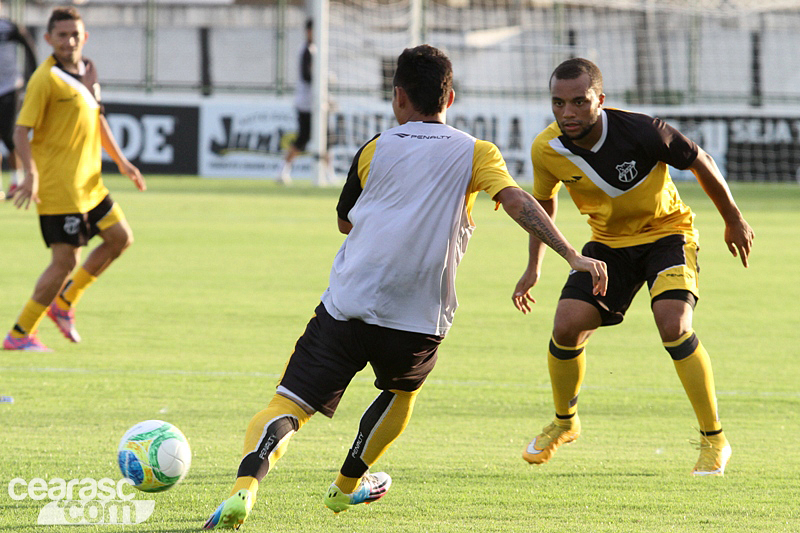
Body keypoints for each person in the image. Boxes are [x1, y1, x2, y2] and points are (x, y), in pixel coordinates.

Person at [203, 45, 608, 530]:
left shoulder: (374, 148)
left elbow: (344, 221)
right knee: (400, 393)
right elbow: (517, 200)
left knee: (288, 404)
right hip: (416, 317)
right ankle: (344, 488)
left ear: (398, 96)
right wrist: (570, 254)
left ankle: (244, 489)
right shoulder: (476, 152)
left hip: (347, 304)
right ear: (450, 98)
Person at [513, 58, 754, 476]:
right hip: (608, 246)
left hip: (667, 234)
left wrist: (733, 218)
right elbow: (543, 205)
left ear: (600, 100)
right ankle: (565, 423)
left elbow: (699, 159)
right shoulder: (546, 149)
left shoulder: (642, 130)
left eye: (579, 101)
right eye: (558, 103)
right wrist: (534, 265)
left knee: (673, 324)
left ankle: (714, 439)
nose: (567, 112)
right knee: (566, 326)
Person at [3, 6, 145, 352]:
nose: (69, 41)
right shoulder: (45, 79)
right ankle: (20, 334)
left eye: (75, 34)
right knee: (65, 261)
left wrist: (122, 162)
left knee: (120, 238)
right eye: (62, 35)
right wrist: (31, 174)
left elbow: (98, 119)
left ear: (85, 37)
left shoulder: (88, 70)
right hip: (59, 187)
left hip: (89, 184)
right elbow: (20, 131)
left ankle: (64, 302)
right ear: (49, 39)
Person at [278, 17, 335, 186]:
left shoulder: (314, 49)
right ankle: (283, 170)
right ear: (309, 31)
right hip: (307, 103)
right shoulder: (307, 50)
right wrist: (324, 78)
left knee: (326, 137)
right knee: (304, 138)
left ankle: (329, 173)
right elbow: (306, 76)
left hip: (315, 102)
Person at [0, 0, 37, 200]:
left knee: (8, 135)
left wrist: (33, 75)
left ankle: (16, 180)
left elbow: (28, 46)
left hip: (8, 87)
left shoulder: (8, 27)